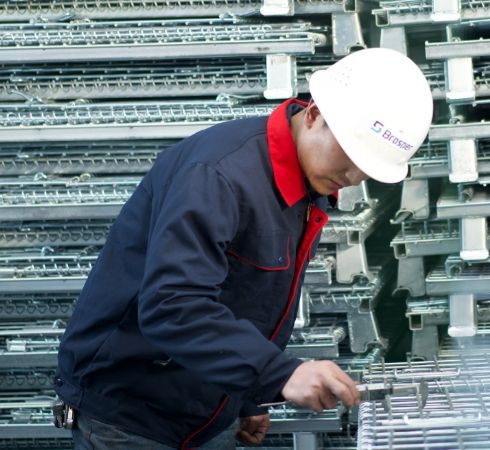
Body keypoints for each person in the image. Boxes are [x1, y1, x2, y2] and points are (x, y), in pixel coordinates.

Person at [54, 47, 433, 449]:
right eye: (352, 157)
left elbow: (250, 299)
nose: (353, 177)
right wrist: (278, 373)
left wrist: (248, 395)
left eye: (367, 169)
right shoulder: (218, 176)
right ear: (315, 114)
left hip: (209, 405)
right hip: (131, 414)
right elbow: (172, 305)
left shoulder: (310, 182)